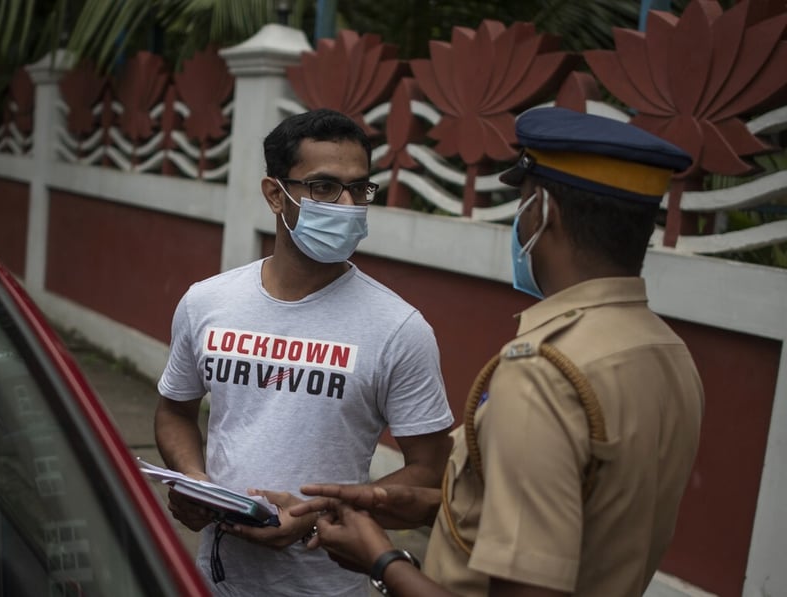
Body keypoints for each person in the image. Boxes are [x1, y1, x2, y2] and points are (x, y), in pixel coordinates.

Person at [290, 106, 705, 596]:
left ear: (541, 211)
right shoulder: (665, 351)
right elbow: (593, 513)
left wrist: (382, 561)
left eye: (522, 201)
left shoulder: (543, 375)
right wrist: (432, 505)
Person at [153, 108, 455, 596]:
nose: (347, 204)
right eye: (323, 187)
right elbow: (174, 411)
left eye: (359, 189)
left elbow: (432, 470)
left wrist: (322, 515)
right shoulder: (207, 302)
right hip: (217, 578)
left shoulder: (400, 328)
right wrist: (194, 482)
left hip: (332, 585)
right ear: (276, 195)